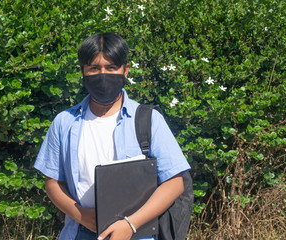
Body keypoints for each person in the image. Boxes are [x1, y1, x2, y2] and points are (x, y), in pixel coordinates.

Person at [34, 32, 191, 240]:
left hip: (137, 233)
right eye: (94, 68)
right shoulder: (64, 122)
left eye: (111, 67)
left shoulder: (149, 120)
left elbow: (174, 182)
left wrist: (130, 224)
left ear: (125, 70)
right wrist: (81, 216)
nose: (103, 75)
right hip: (80, 231)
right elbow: (53, 182)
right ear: (83, 71)